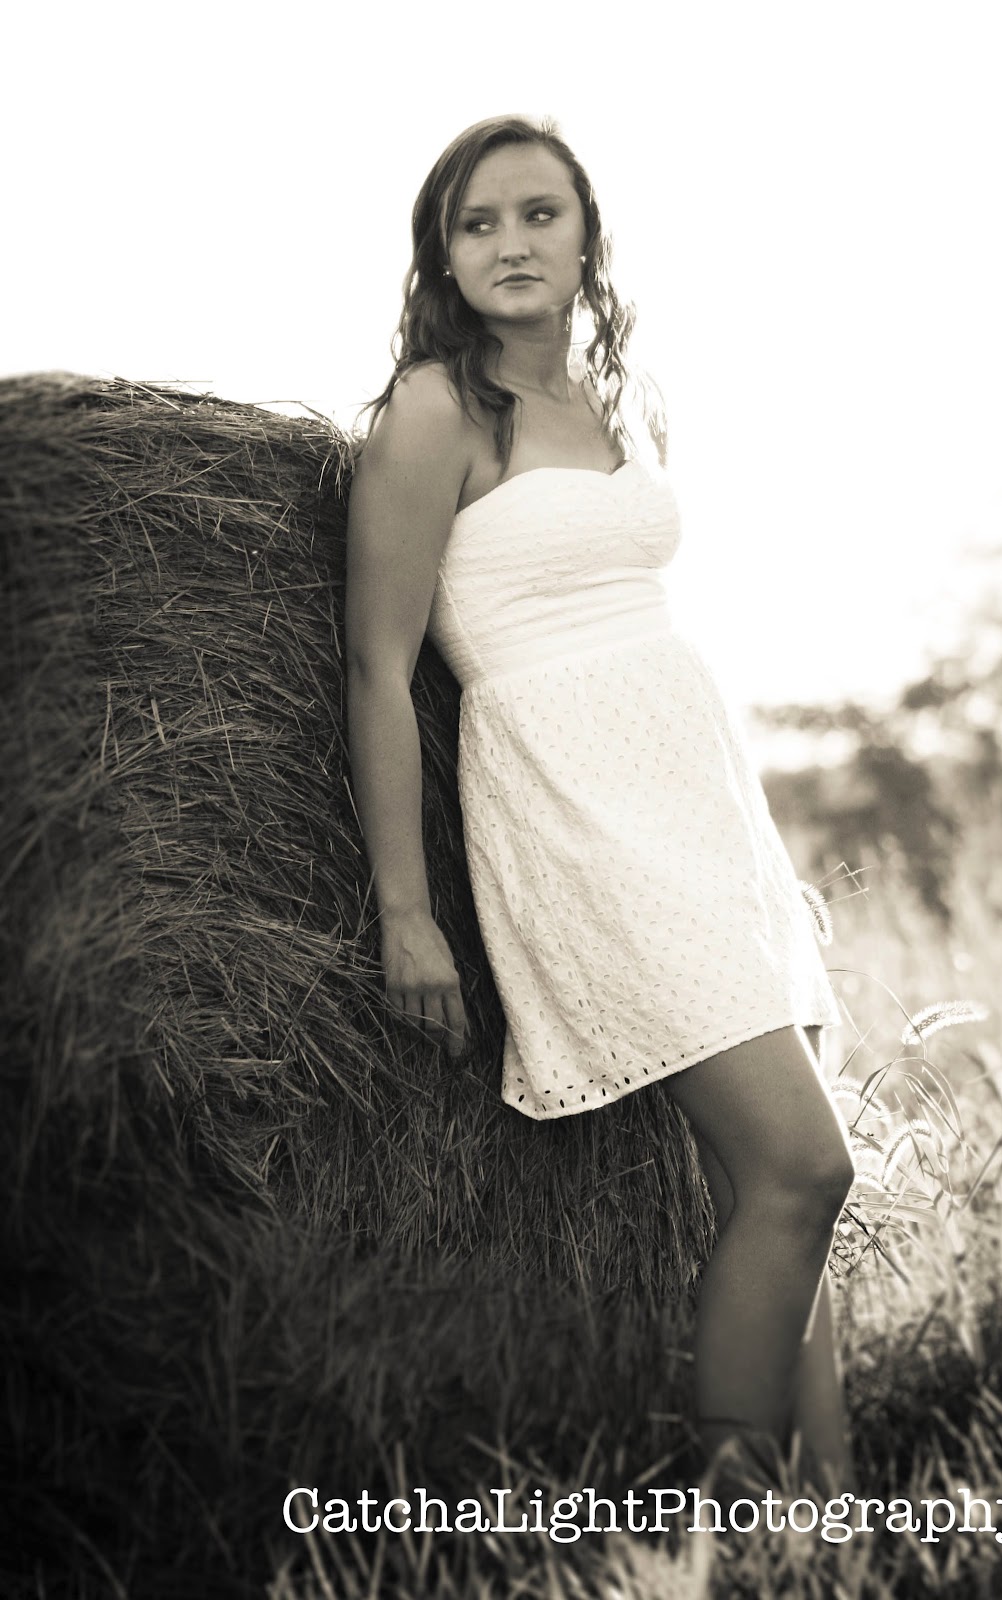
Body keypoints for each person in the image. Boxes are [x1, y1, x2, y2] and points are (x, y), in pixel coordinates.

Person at [345, 113, 857, 1501]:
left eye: (540, 214)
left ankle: (835, 1508)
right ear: (443, 258)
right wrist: (405, 913)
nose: (513, 243)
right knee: (803, 1168)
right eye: (478, 222)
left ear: (587, 237)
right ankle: (736, 1514)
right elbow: (379, 669)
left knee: (772, 1183)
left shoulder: (617, 401)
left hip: (697, 795)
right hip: (576, 814)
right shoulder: (436, 414)